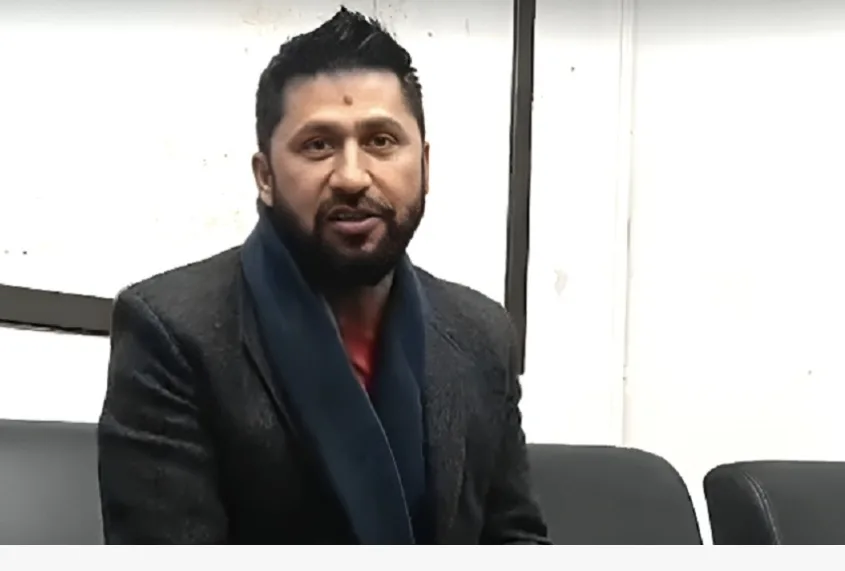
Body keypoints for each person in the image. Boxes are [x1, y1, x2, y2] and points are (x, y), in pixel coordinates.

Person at [97, 7, 549, 545]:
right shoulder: (171, 333)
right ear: (265, 176)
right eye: (318, 145)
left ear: (425, 166)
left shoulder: (483, 335)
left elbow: (516, 542)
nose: (352, 177)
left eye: (381, 141)